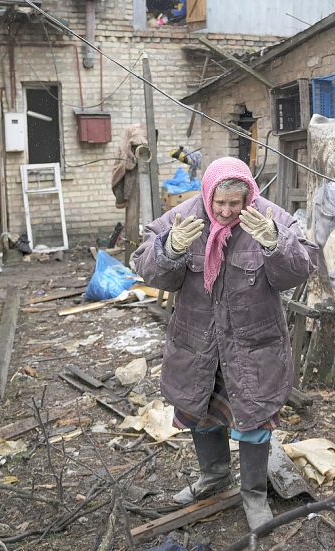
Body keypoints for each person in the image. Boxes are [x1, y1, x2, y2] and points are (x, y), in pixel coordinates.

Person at [131, 157, 318, 530]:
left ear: (249, 194)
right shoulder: (185, 216)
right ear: (208, 193)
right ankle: (214, 478)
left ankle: (253, 495)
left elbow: (302, 268)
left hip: (252, 344)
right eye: (220, 203)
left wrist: (274, 242)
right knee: (200, 412)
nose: (227, 211)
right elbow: (146, 267)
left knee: (253, 417)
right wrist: (169, 249)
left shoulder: (269, 216)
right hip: (199, 342)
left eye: (236, 203)